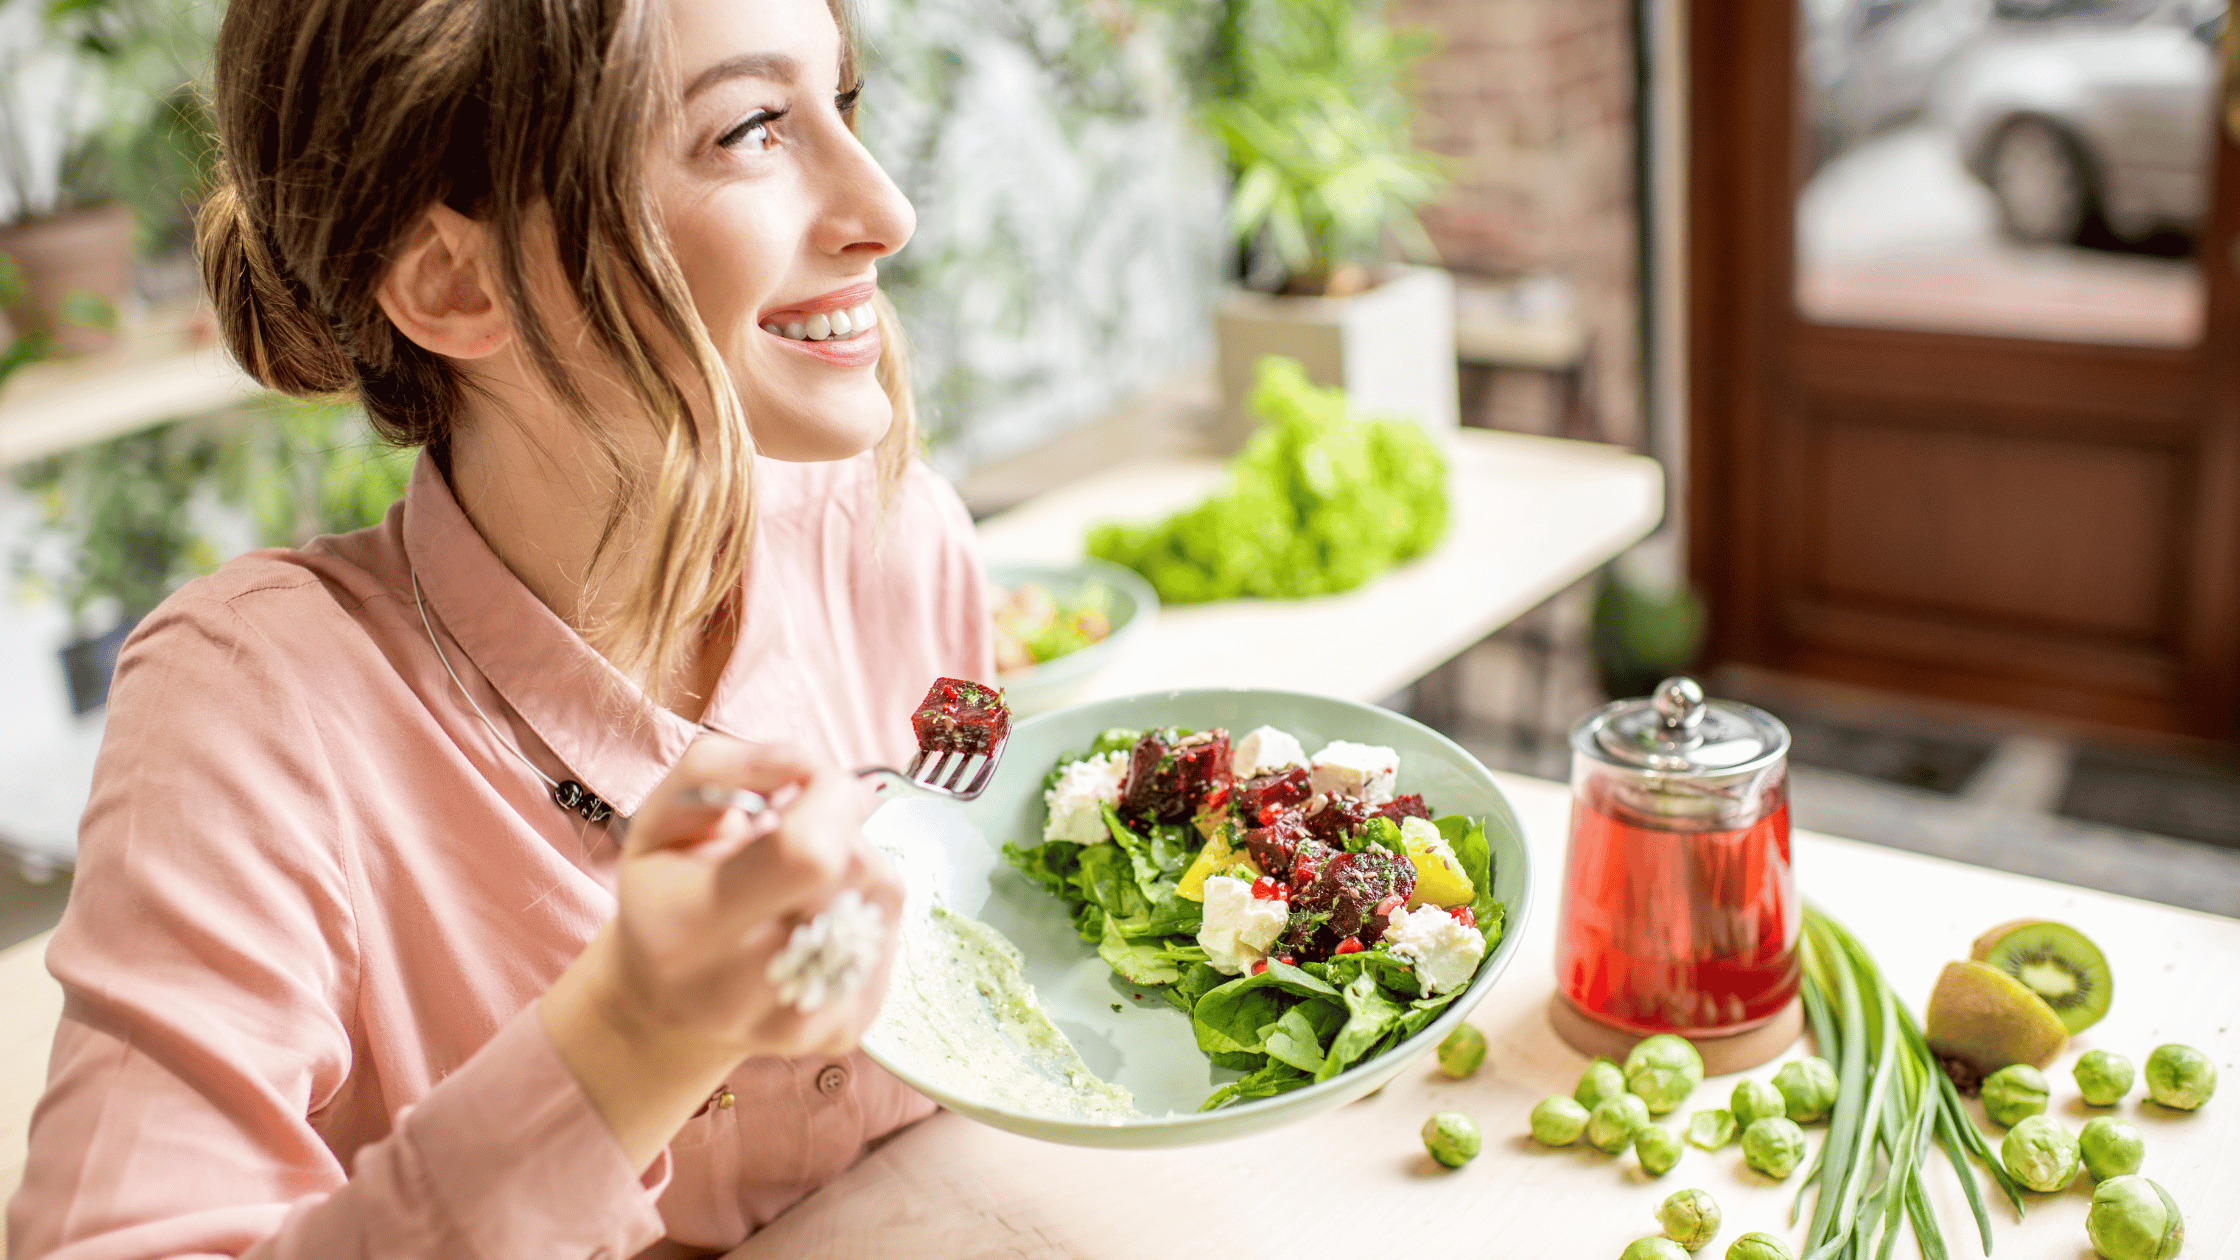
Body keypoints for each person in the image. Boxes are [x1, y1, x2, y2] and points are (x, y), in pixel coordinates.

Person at [4, 0, 993, 1253]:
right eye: (748, 128)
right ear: (455, 281)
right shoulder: (254, 708)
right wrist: (632, 1038)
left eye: (838, 101)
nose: (887, 209)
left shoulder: (897, 539)